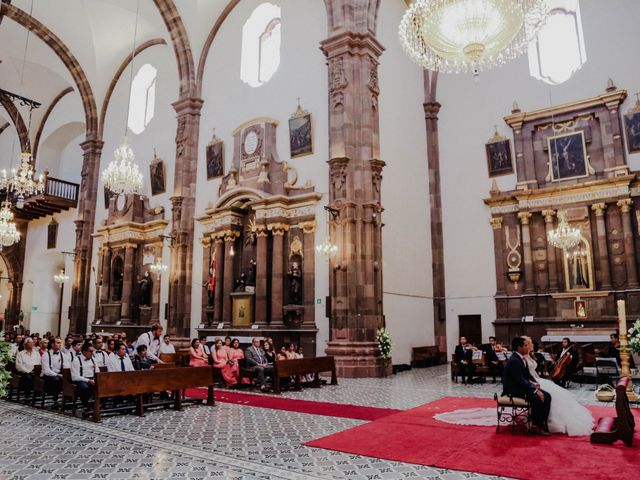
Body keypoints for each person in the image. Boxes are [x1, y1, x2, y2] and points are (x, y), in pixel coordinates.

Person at [522, 337, 594, 436]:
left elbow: (574, 361)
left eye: (529, 344)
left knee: (556, 392)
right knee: (553, 392)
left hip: (538, 378)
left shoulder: (572, 351)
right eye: (528, 344)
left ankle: (544, 421)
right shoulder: (524, 356)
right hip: (533, 380)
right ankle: (541, 421)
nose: (530, 346)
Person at [502, 337, 551, 436]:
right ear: (519, 347)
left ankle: (542, 423)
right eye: (525, 346)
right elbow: (520, 380)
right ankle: (535, 426)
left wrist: (534, 383)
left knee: (547, 396)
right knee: (537, 398)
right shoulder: (514, 360)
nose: (527, 348)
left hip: (521, 386)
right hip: (513, 389)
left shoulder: (520, 357)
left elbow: (526, 375)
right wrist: (535, 390)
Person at [71, 342, 98, 412]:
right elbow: (75, 377)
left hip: (92, 379)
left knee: (104, 385)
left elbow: (97, 371)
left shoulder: (93, 359)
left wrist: (95, 379)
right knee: (84, 387)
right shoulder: (76, 360)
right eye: (91, 351)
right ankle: (86, 405)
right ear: (84, 351)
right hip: (81, 380)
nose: (92, 353)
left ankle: (99, 404)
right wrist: (88, 380)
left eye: (93, 351)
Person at [41, 337, 64, 407]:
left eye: (61, 343)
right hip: (47, 375)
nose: (60, 345)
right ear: (52, 344)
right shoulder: (46, 355)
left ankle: (67, 399)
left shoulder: (62, 355)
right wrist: (57, 375)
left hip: (59, 374)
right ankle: (54, 399)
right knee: (56, 379)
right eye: (58, 343)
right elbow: (46, 370)